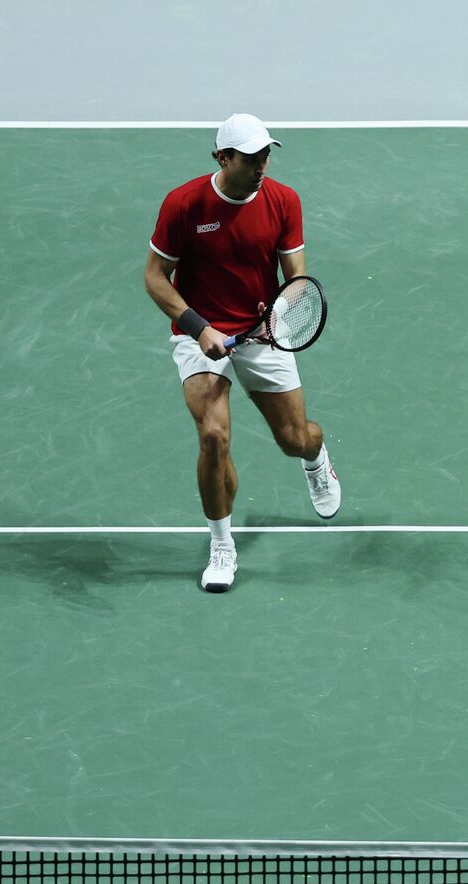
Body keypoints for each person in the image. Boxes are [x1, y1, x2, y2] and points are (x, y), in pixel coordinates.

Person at [143, 113, 341, 593]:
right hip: (201, 334)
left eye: (266, 154)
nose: (261, 165)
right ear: (222, 158)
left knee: (294, 437)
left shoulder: (283, 200)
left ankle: (316, 460)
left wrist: (279, 316)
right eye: (251, 158)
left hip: (261, 332)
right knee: (213, 437)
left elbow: (297, 280)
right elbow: (155, 276)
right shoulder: (184, 204)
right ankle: (221, 545)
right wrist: (198, 326)